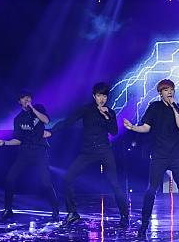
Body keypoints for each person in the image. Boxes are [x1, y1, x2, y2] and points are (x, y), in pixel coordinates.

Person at [123, 79, 179, 239]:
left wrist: (175, 108)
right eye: (166, 90)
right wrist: (133, 127)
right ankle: (144, 225)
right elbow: (146, 128)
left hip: (176, 156)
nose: (169, 92)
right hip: (159, 156)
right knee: (151, 190)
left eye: (171, 89)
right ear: (160, 93)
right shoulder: (154, 108)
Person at [53, 82, 129, 227]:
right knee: (68, 178)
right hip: (87, 151)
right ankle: (72, 213)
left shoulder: (110, 112)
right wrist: (51, 131)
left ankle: (124, 216)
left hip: (104, 151)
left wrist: (107, 116)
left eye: (105, 96)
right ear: (94, 96)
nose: (102, 99)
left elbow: (114, 132)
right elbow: (68, 121)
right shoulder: (86, 110)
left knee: (114, 184)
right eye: (99, 95)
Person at [0, 90, 59, 222]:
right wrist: (5, 143)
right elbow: (18, 139)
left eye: (29, 98)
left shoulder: (39, 109)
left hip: (40, 150)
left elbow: (46, 120)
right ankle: (8, 209)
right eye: (24, 98)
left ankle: (55, 209)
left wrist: (33, 110)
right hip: (24, 152)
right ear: (19, 101)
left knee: (46, 182)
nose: (27, 100)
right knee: (9, 178)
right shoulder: (18, 119)